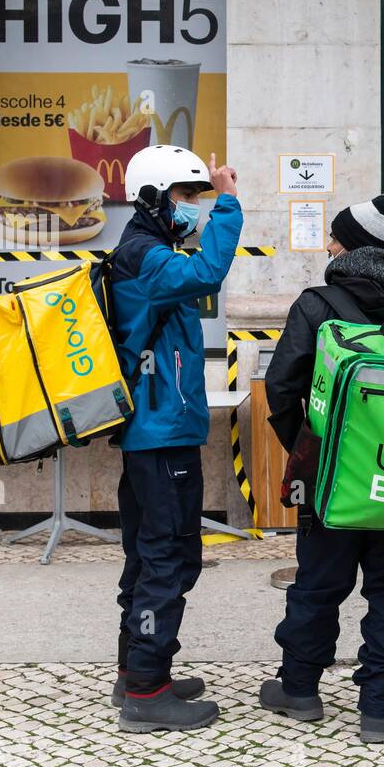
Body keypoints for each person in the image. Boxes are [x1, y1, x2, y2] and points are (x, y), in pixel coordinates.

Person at [260, 192, 384, 744]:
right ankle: (380, 706)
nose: (328, 244)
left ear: (353, 244)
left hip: (331, 479)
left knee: (318, 583)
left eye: (335, 236)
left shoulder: (316, 304)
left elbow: (281, 386)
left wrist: (309, 449)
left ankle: (301, 690)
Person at [109, 146, 242, 732]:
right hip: (161, 435)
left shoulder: (145, 250)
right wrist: (229, 201)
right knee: (168, 557)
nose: (194, 207)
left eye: (200, 198)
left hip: (155, 431)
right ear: (153, 199)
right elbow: (209, 272)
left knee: (147, 555)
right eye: (186, 197)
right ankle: (145, 691)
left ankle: (137, 670)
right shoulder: (149, 258)